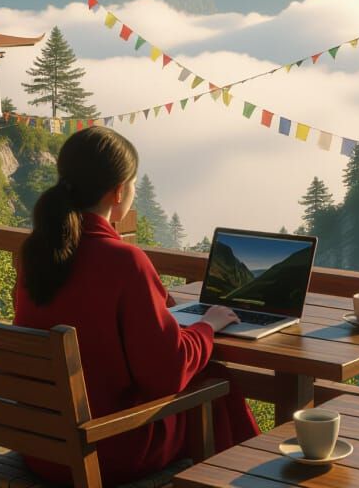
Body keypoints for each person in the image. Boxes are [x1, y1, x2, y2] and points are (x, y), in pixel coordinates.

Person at [14, 126, 259, 485]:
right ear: (118, 192)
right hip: (104, 450)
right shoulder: (124, 260)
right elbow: (168, 374)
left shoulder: (36, 252)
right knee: (217, 385)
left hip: (42, 447)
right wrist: (208, 326)